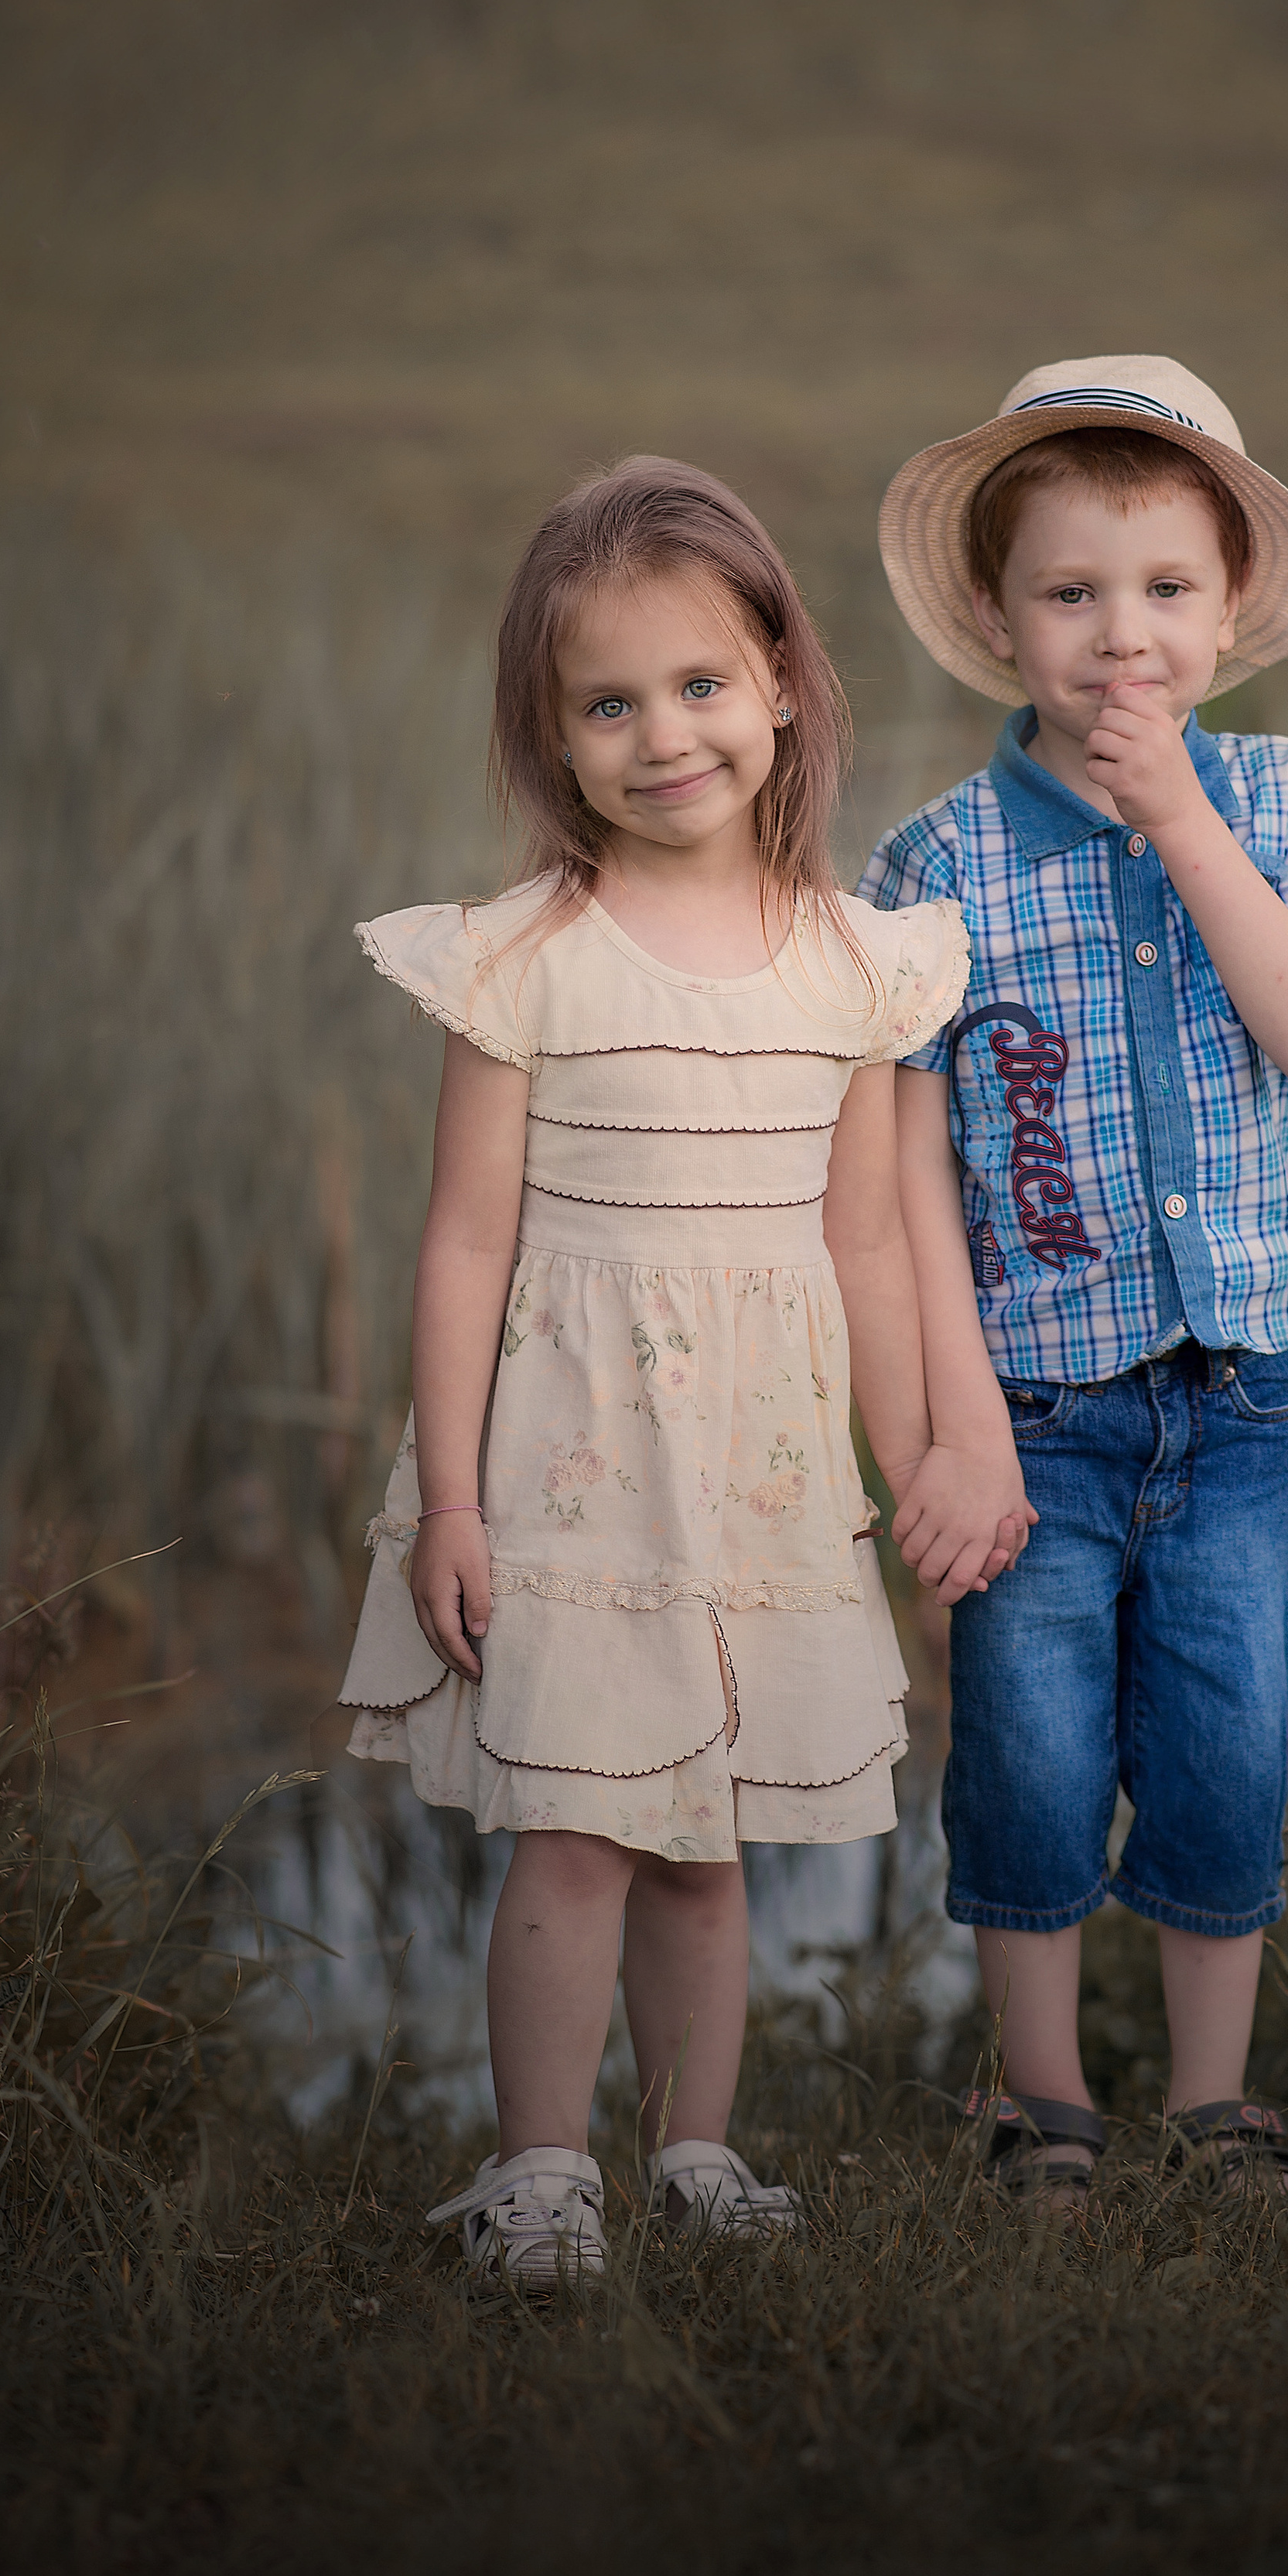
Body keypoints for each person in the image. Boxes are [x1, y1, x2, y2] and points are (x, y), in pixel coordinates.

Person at [337, 457, 1015, 2286]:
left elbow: (865, 1241)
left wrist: (907, 1462)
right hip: (570, 1462)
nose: (664, 736)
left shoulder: (860, 965)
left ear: (781, 683)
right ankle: (541, 2168)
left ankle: (693, 2150)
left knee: (706, 1842)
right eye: (609, 703)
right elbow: (466, 1241)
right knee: (571, 1830)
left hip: (765, 1474)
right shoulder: (523, 961)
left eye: (701, 685)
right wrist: (457, 1499)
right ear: (552, 738)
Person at [859, 355, 1288, 2200]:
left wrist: (1180, 818)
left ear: (1226, 607)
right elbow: (911, 1189)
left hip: (1235, 1398)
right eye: (1069, 593)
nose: (1118, 636)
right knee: (1022, 1746)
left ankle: (1208, 2095)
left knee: (1221, 1733)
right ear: (1000, 619)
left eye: (1163, 589)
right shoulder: (935, 866)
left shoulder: (1270, 792)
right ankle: (1034, 2093)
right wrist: (948, 1425)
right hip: (1033, 1406)